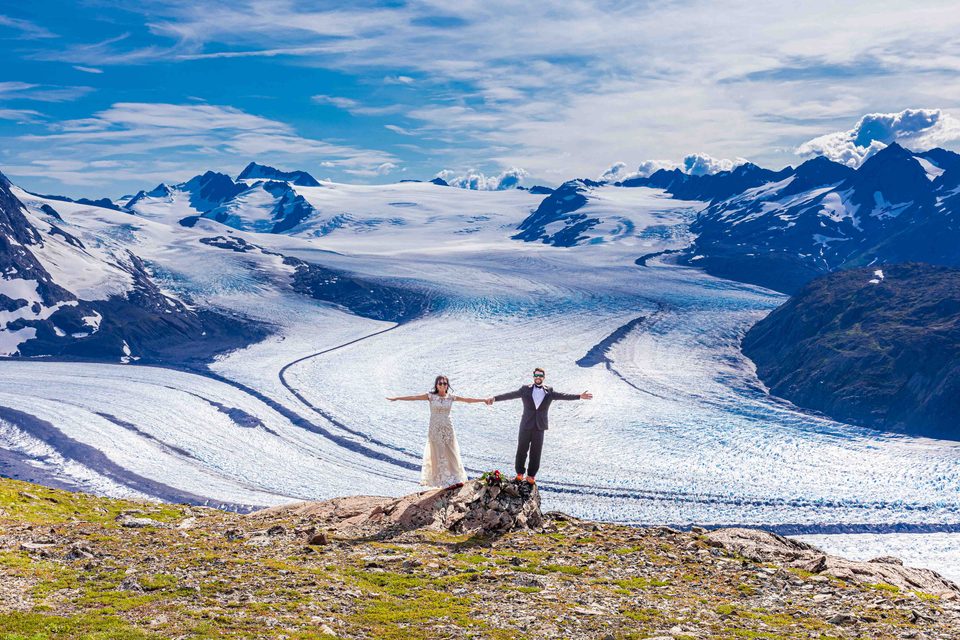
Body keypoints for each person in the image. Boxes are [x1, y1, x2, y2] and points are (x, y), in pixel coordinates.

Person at [486, 367, 592, 485]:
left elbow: (563, 395)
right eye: (536, 375)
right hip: (526, 424)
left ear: (543, 377)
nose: (538, 378)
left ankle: (531, 475)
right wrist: (495, 398)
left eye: (540, 375)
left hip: (540, 426)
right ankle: (520, 473)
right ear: (533, 377)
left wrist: (579, 396)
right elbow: (510, 395)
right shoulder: (525, 389)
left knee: (536, 451)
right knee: (522, 449)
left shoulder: (549, 391)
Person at [387, 375, 487, 489]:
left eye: (445, 383)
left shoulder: (451, 397)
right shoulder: (430, 396)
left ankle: (456, 478)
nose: (442, 385)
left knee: (451, 452)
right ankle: (442, 481)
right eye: (440, 383)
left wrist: (483, 400)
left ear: (447, 385)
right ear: (436, 385)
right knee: (438, 453)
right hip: (435, 428)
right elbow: (414, 397)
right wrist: (397, 398)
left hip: (448, 427)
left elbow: (468, 400)